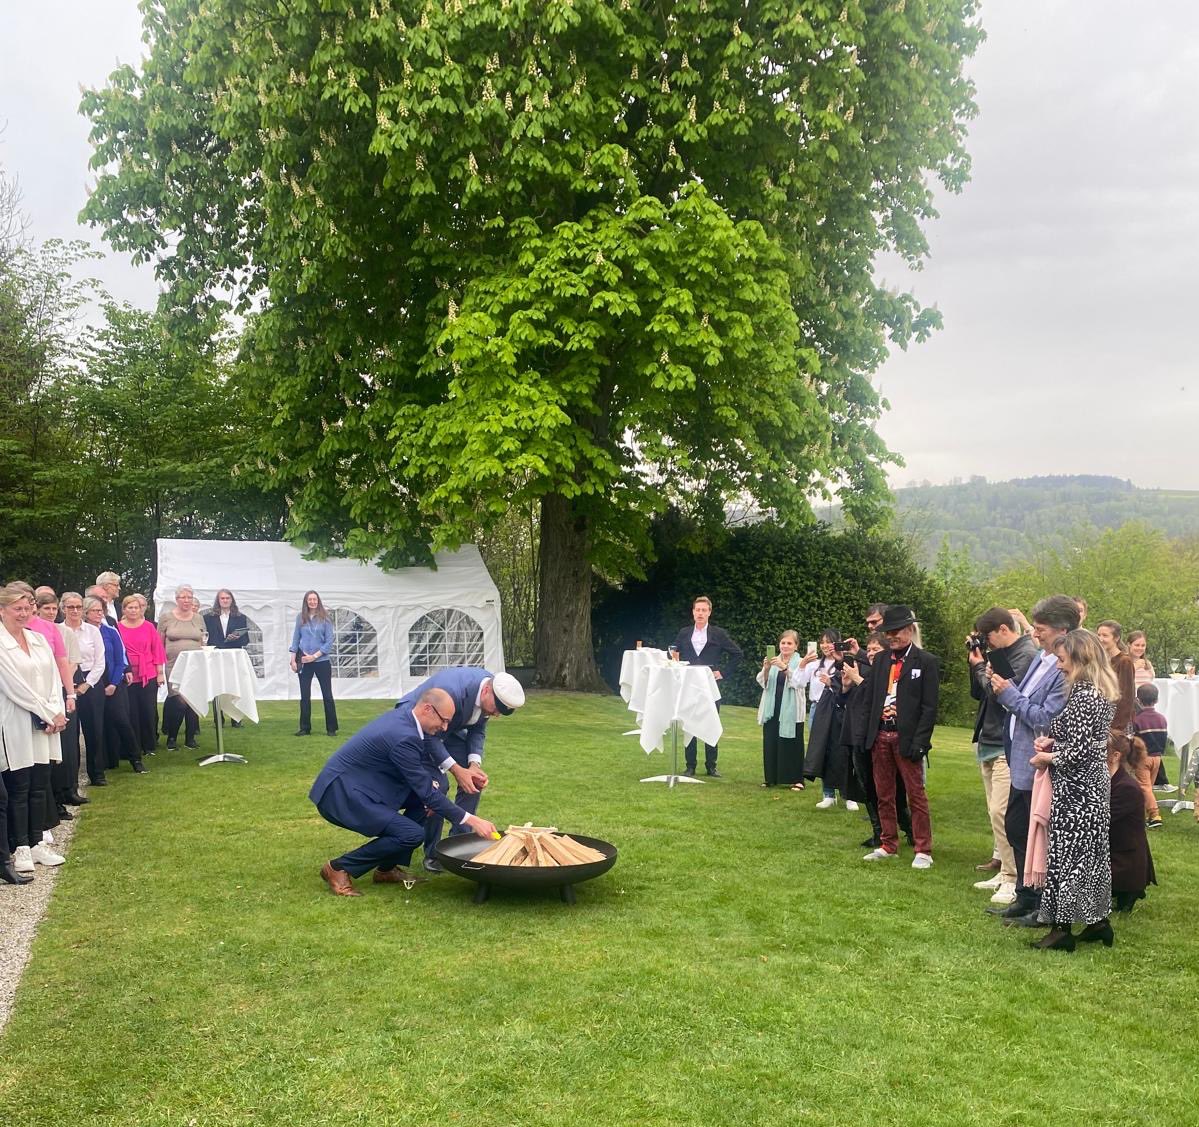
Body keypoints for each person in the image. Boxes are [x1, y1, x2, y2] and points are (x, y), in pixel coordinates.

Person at [309, 688, 498, 896]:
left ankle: (386, 870)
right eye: (443, 721)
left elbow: (419, 782)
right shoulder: (404, 736)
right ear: (427, 709)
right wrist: (472, 820)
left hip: (362, 786)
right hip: (341, 794)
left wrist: (430, 792)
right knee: (412, 834)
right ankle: (338, 868)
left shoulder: (407, 722)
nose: (444, 728)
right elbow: (426, 791)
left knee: (425, 806)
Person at [1026, 629, 1119, 951]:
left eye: (1063, 660)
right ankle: (1098, 922)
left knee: (1067, 857)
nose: (1059, 666)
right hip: (1092, 787)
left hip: (1077, 791)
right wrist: (1053, 740)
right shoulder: (1099, 693)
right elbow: (1088, 741)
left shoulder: (1083, 696)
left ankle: (1061, 930)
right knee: (1091, 858)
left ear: (1081, 660)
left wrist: (1046, 756)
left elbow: (1079, 752)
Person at [989, 594, 1076, 928]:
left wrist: (1008, 694)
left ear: (1062, 630)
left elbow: (1046, 718)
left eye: (1040, 629)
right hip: (1021, 758)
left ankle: (1038, 902)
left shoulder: (1064, 669)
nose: (1034, 634)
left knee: (1032, 833)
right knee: (1015, 827)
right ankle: (1025, 897)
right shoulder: (1043, 657)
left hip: (1039, 763)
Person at [395, 667, 526, 872]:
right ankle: (434, 854)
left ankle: (457, 845)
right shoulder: (452, 691)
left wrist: (473, 765)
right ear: (486, 691)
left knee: (473, 780)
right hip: (418, 728)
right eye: (497, 708)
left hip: (448, 729)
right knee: (438, 787)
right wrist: (456, 769)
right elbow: (430, 737)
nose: (496, 714)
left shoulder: (489, 694)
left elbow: (478, 729)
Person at [967, 608, 1038, 907]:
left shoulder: (1025, 653)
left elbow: (1001, 693)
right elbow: (980, 693)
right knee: (995, 813)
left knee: (1002, 812)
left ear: (1002, 629)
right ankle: (1007, 872)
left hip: (1007, 743)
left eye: (988, 637)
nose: (987, 643)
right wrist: (978, 665)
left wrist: (985, 665)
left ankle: (1013, 879)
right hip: (989, 738)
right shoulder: (1003, 652)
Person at [860, 605, 939, 869]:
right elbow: (871, 699)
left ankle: (923, 849)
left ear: (909, 630)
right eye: (887, 632)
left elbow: (929, 708)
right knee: (884, 793)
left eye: (895, 632)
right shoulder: (881, 660)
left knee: (916, 795)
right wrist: (867, 734)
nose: (891, 636)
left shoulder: (925, 661)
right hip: (881, 734)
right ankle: (888, 844)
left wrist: (921, 742)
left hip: (907, 738)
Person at [0, 585, 68, 876]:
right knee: (20, 784)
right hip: (16, 719)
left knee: (40, 782)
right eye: (18, 609)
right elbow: (14, 686)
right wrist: (46, 712)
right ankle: (21, 846)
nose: (24, 613)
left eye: (28, 608)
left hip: (46, 721)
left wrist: (57, 711)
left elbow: (53, 677)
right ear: (2, 610)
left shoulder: (39, 639)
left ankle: (38, 841)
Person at [672, 596, 742, 777]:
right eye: (697, 610)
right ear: (693, 612)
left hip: (709, 684)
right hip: (688, 684)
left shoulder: (718, 634)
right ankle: (690, 766)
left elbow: (737, 654)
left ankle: (711, 766)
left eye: (704, 610)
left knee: (711, 720)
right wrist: (673, 657)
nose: (700, 613)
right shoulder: (684, 632)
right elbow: (673, 652)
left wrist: (723, 673)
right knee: (689, 723)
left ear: (709, 612)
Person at [85, 597, 146, 774]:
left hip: (113, 682)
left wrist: (113, 683)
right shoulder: (83, 633)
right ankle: (102, 764)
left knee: (122, 721)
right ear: (86, 613)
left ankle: (136, 759)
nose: (99, 614)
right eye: (95, 610)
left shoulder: (111, 632)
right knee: (96, 725)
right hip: (91, 683)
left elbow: (120, 660)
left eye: (101, 610)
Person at [799, 630, 857, 810]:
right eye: (822, 642)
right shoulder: (816, 664)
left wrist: (831, 683)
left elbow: (851, 685)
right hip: (820, 710)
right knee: (822, 751)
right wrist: (802, 664)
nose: (825, 646)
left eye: (829, 642)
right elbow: (797, 682)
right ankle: (828, 794)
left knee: (845, 752)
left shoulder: (847, 662)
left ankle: (849, 795)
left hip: (842, 710)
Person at [59, 591, 108, 787]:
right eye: (70, 607)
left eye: (78, 607)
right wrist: (70, 685)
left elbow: (100, 660)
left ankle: (97, 773)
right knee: (70, 734)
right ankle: (71, 778)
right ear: (63, 609)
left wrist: (88, 684)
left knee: (94, 729)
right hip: (66, 682)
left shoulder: (92, 631)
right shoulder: (58, 630)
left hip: (91, 683)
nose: (75, 611)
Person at [1107, 730, 1156, 914]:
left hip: (1124, 863)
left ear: (1115, 756)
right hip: (1117, 854)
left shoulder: (1126, 787)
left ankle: (1126, 891)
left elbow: (1102, 820)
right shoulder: (1113, 781)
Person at [755, 630, 806, 790]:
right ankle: (771, 777)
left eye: (789, 643)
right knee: (771, 742)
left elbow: (798, 682)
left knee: (792, 743)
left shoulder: (801, 662)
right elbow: (762, 681)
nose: (785, 646)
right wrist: (767, 668)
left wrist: (784, 668)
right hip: (772, 708)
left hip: (791, 709)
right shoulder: (773, 660)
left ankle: (797, 779)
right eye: (783, 643)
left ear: (796, 646)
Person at [158, 584, 207, 750]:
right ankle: (172, 736)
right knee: (179, 700)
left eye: (189, 597)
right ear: (176, 599)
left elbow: (202, 639)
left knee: (192, 700)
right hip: (174, 664)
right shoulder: (166, 617)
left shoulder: (198, 618)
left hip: (195, 664)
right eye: (183, 597)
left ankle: (190, 738)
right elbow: (159, 643)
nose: (186, 600)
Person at [118, 595, 167, 759]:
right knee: (132, 710)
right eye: (129, 607)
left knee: (148, 709)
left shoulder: (148, 627)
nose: (133, 610)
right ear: (124, 610)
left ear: (141, 609)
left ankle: (150, 745)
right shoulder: (118, 627)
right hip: (129, 674)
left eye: (136, 607)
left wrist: (160, 673)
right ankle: (135, 745)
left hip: (149, 672)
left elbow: (157, 649)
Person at [290, 590, 338, 737]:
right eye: (310, 599)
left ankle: (331, 728)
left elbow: (329, 642)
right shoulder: (301, 618)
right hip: (304, 661)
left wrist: (314, 656)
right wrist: (293, 660)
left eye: (314, 599)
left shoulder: (326, 618)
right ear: (306, 601)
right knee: (304, 696)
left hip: (321, 661)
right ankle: (305, 728)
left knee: (327, 695)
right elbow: (296, 639)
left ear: (318, 601)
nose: (312, 602)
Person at [204, 589, 250, 728]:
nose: (225, 600)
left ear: (232, 600)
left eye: (227, 598)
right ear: (218, 600)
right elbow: (207, 638)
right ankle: (219, 719)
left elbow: (246, 640)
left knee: (234, 686)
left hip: (233, 655)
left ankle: (236, 719)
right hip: (216, 655)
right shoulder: (209, 618)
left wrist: (236, 638)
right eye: (222, 598)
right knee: (217, 688)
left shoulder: (240, 617)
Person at [1131, 683, 1167, 830]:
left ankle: (1154, 815)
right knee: (1149, 787)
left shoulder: (1138, 720)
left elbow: (1135, 739)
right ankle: (1145, 815)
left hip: (1143, 758)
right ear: (1157, 700)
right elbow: (1164, 738)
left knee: (1144, 787)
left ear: (1138, 700)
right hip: (1157, 757)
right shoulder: (1162, 719)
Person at [1095, 620, 1137, 732]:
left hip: (1117, 723)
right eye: (1098, 635)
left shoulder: (1124, 661)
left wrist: (1117, 727)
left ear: (1116, 638)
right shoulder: (1100, 660)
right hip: (1101, 720)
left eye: (1105, 635)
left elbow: (1127, 697)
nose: (1100, 639)